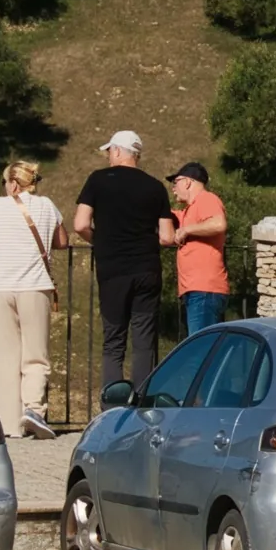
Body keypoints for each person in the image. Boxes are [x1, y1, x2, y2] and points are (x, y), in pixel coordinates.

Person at [72, 128, 175, 392]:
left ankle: (113, 401)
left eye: (109, 151)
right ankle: (142, 399)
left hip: (113, 270)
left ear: (118, 151)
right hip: (147, 269)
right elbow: (166, 237)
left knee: (114, 339)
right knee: (143, 340)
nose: (108, 156)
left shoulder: (97, 180)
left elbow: (81, 224)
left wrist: (101, 240)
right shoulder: (155, 187)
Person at [0, 160, 60, 438]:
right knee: (35, 354)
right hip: (34, 286)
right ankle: (34, 409)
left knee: (3, 358)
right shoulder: (47, 206)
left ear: (12, 184)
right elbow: (60, 239)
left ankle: (8, 424)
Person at [169, 160, 230, 333]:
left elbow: (219, 224)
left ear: (188, 182)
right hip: (199, 291)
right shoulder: (189, 211)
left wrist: (187, 230)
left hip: (204, 290)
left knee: (202, 353)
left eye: (176, 182)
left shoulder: (206, 199)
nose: (173, 188)